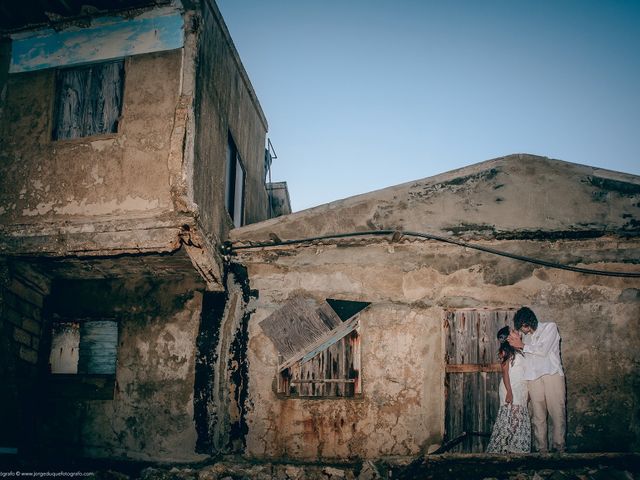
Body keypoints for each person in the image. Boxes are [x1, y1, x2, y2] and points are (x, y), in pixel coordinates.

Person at [508, 306, 565, 453]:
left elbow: (543, 350)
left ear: (530, 321)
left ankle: (559, 449)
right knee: (538, 416)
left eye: (524, 326)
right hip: (533, 378)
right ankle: (542, 451)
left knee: (557, 413)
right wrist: (516, 344)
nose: (524, 330)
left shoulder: (550, 327)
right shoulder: (525, 338)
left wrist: (522, 345)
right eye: (521, 327)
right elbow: (525, 359)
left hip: (551, 374)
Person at [486, 326, 531, 453]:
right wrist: (509, 392)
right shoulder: (504, 352)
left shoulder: (521, 350)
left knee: (518, 419)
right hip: (510, 386)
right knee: (511, 418)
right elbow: (505, 373)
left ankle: (515, 449)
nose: (516, 331)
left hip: (522, 387)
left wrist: (528, 391)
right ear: (508, 337)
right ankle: (505, 449)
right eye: (512, 331)